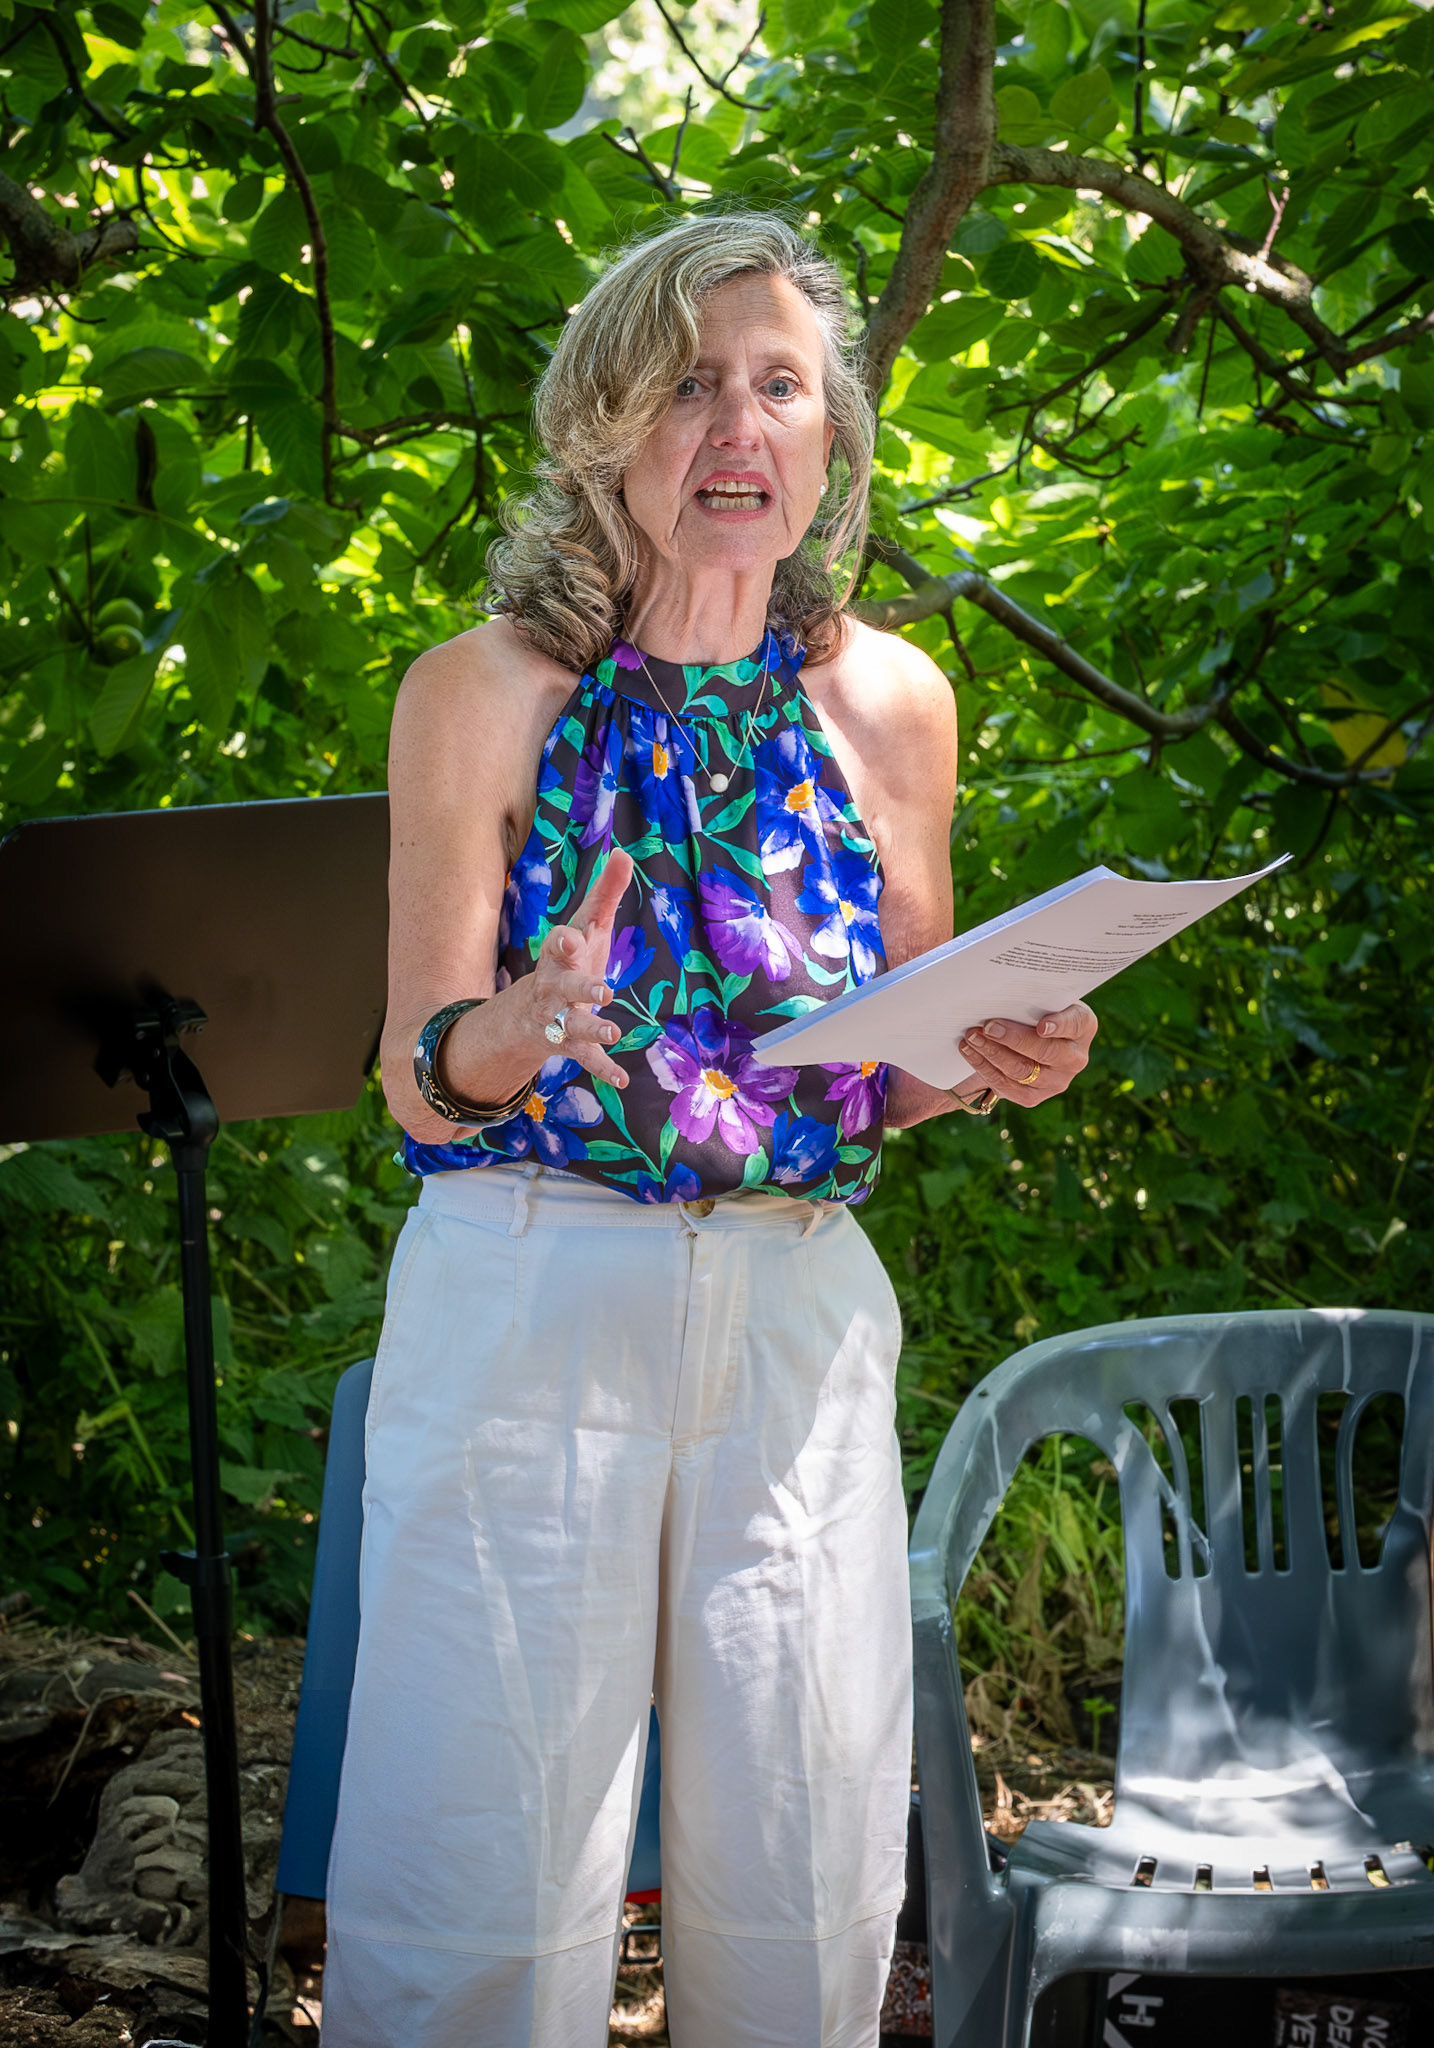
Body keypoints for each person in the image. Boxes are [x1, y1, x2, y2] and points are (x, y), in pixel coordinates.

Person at [322, 211, 1095, 2048]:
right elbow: (411, 1079)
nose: (736, 426)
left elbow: (903, 1050)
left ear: (830, 438)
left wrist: (1000, 1047)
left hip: (797, 1316)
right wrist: (507, 1029)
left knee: (809, 1850)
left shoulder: (891, 702)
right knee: (479, 1861)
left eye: (778, 387)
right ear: (605, 425)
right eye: (686, 385)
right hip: (530, 1300)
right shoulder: (487, 690)